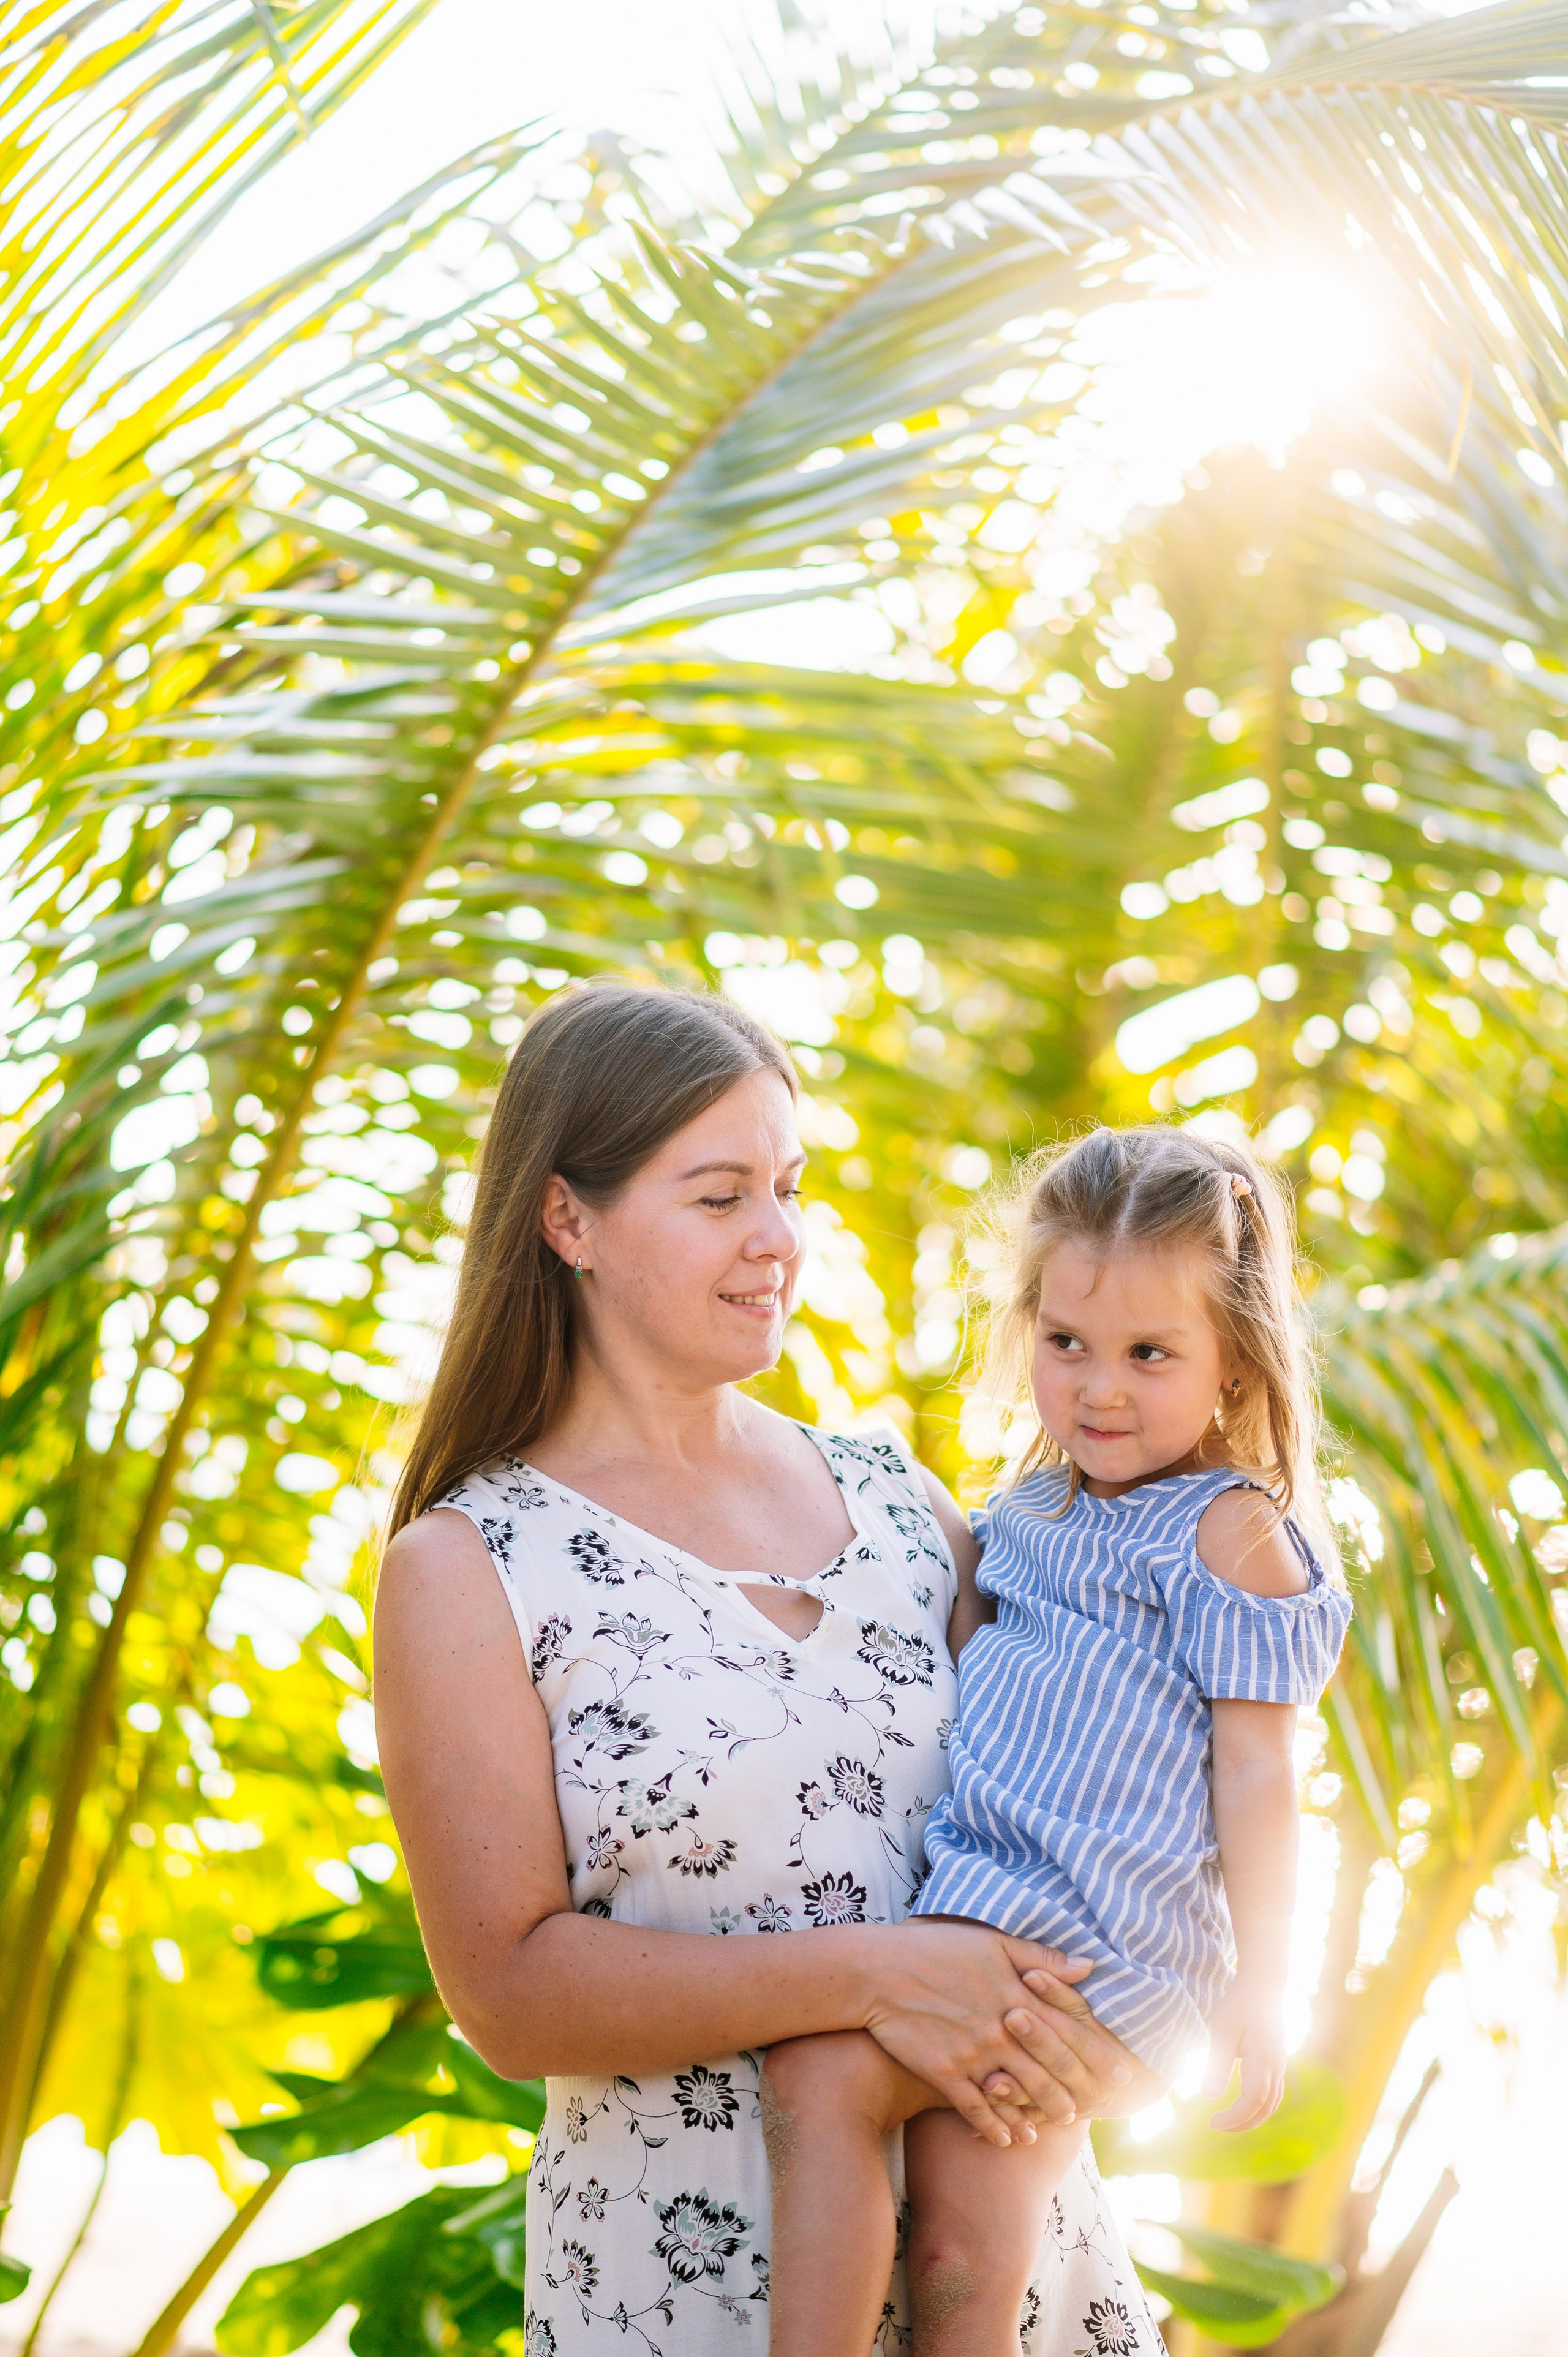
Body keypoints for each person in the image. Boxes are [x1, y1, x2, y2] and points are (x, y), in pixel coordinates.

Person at [373, 981, 1162, 2356]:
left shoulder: (903, 1504)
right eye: (719, 1194)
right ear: (567, 1218)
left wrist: (1126, 2033)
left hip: (1021, 2274)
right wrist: (874, 1975)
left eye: (787, 1187)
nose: (778, 1240)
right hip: (677, 2294)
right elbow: (508, 1994)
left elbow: (1078, 1807)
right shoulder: (470, 1564)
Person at [761, 1123, 1353, 2356]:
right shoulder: (1025, 1508)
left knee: (895, 2162)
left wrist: (1262, 1988)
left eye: (1149, 1353)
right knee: (899, 2180)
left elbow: (1256, 1772)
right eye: (1064, 1343)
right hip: (984, 1910)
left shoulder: (1227, 1530)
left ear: (1234, 1365)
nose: (1096, 1386)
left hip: (1104, 1948)